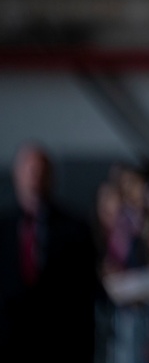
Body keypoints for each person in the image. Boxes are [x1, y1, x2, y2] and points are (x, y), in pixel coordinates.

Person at [0, 142, 99, 362]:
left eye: (40, 171)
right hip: (9, 341)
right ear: (16, 175)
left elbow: (85, 292)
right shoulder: (4, 228)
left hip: (60, 342)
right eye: (29, 170)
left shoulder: (75, 227)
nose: (34, 177)